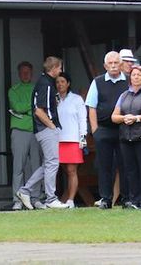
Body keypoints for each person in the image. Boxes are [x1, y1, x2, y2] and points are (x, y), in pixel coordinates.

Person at [16, 56, 68, 209]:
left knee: (48, 164)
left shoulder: (43, 82)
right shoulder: (46, 84)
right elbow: (39, 111)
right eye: (59, 68)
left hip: (42, 129)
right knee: (52, 163)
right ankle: (51, 198)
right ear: (53, 69)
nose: (60, 70)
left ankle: (25, 190)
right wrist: (51, 126)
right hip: (45, 128)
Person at [111, 65, 141, 210]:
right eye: (133, 75)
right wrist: (124, 118)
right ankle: (133, 200)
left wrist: (138, 118)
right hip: (126, 138)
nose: (136, 77)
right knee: (130, 170)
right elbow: (114, 116)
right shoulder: (124, 95)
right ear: (130, 78)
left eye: (139, 75)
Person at [85, 51, 127, 209]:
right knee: (104, 166)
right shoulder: (98, 82)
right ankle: (105, 199)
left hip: (124, 129)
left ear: (121, 64)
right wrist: (95, 131)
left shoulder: (128, 81)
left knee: (125, 164)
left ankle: (126, 198)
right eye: (111, 63)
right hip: (103, 130)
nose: (114, 66)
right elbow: (91, 107)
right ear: (105, 66)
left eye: (116, 62)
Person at [7, 61, 40, 211]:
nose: (25, 75)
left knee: (36, 166)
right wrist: (31, 107)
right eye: (23, 72)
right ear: (19, 73)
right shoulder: (13, 90)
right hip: (19, 130)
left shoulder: (36, 88)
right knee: (18, 167)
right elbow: (17, 107)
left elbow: (39, 106)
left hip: (35, 130)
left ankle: (35, 198)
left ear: (31, 73)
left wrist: (26, 110)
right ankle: (17, 199)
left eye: (28, 72)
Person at [56, 72, 86, 208]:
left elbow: (82, 119)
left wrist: (83, 136)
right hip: (57, 140)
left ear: (68, 84)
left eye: (62, 82)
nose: (60, 84)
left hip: (73, 139)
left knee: (71, 171)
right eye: (57, 82)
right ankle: (56, 199)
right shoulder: (53, 99)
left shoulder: (77, 99)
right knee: (57, 170)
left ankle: (70, 200)